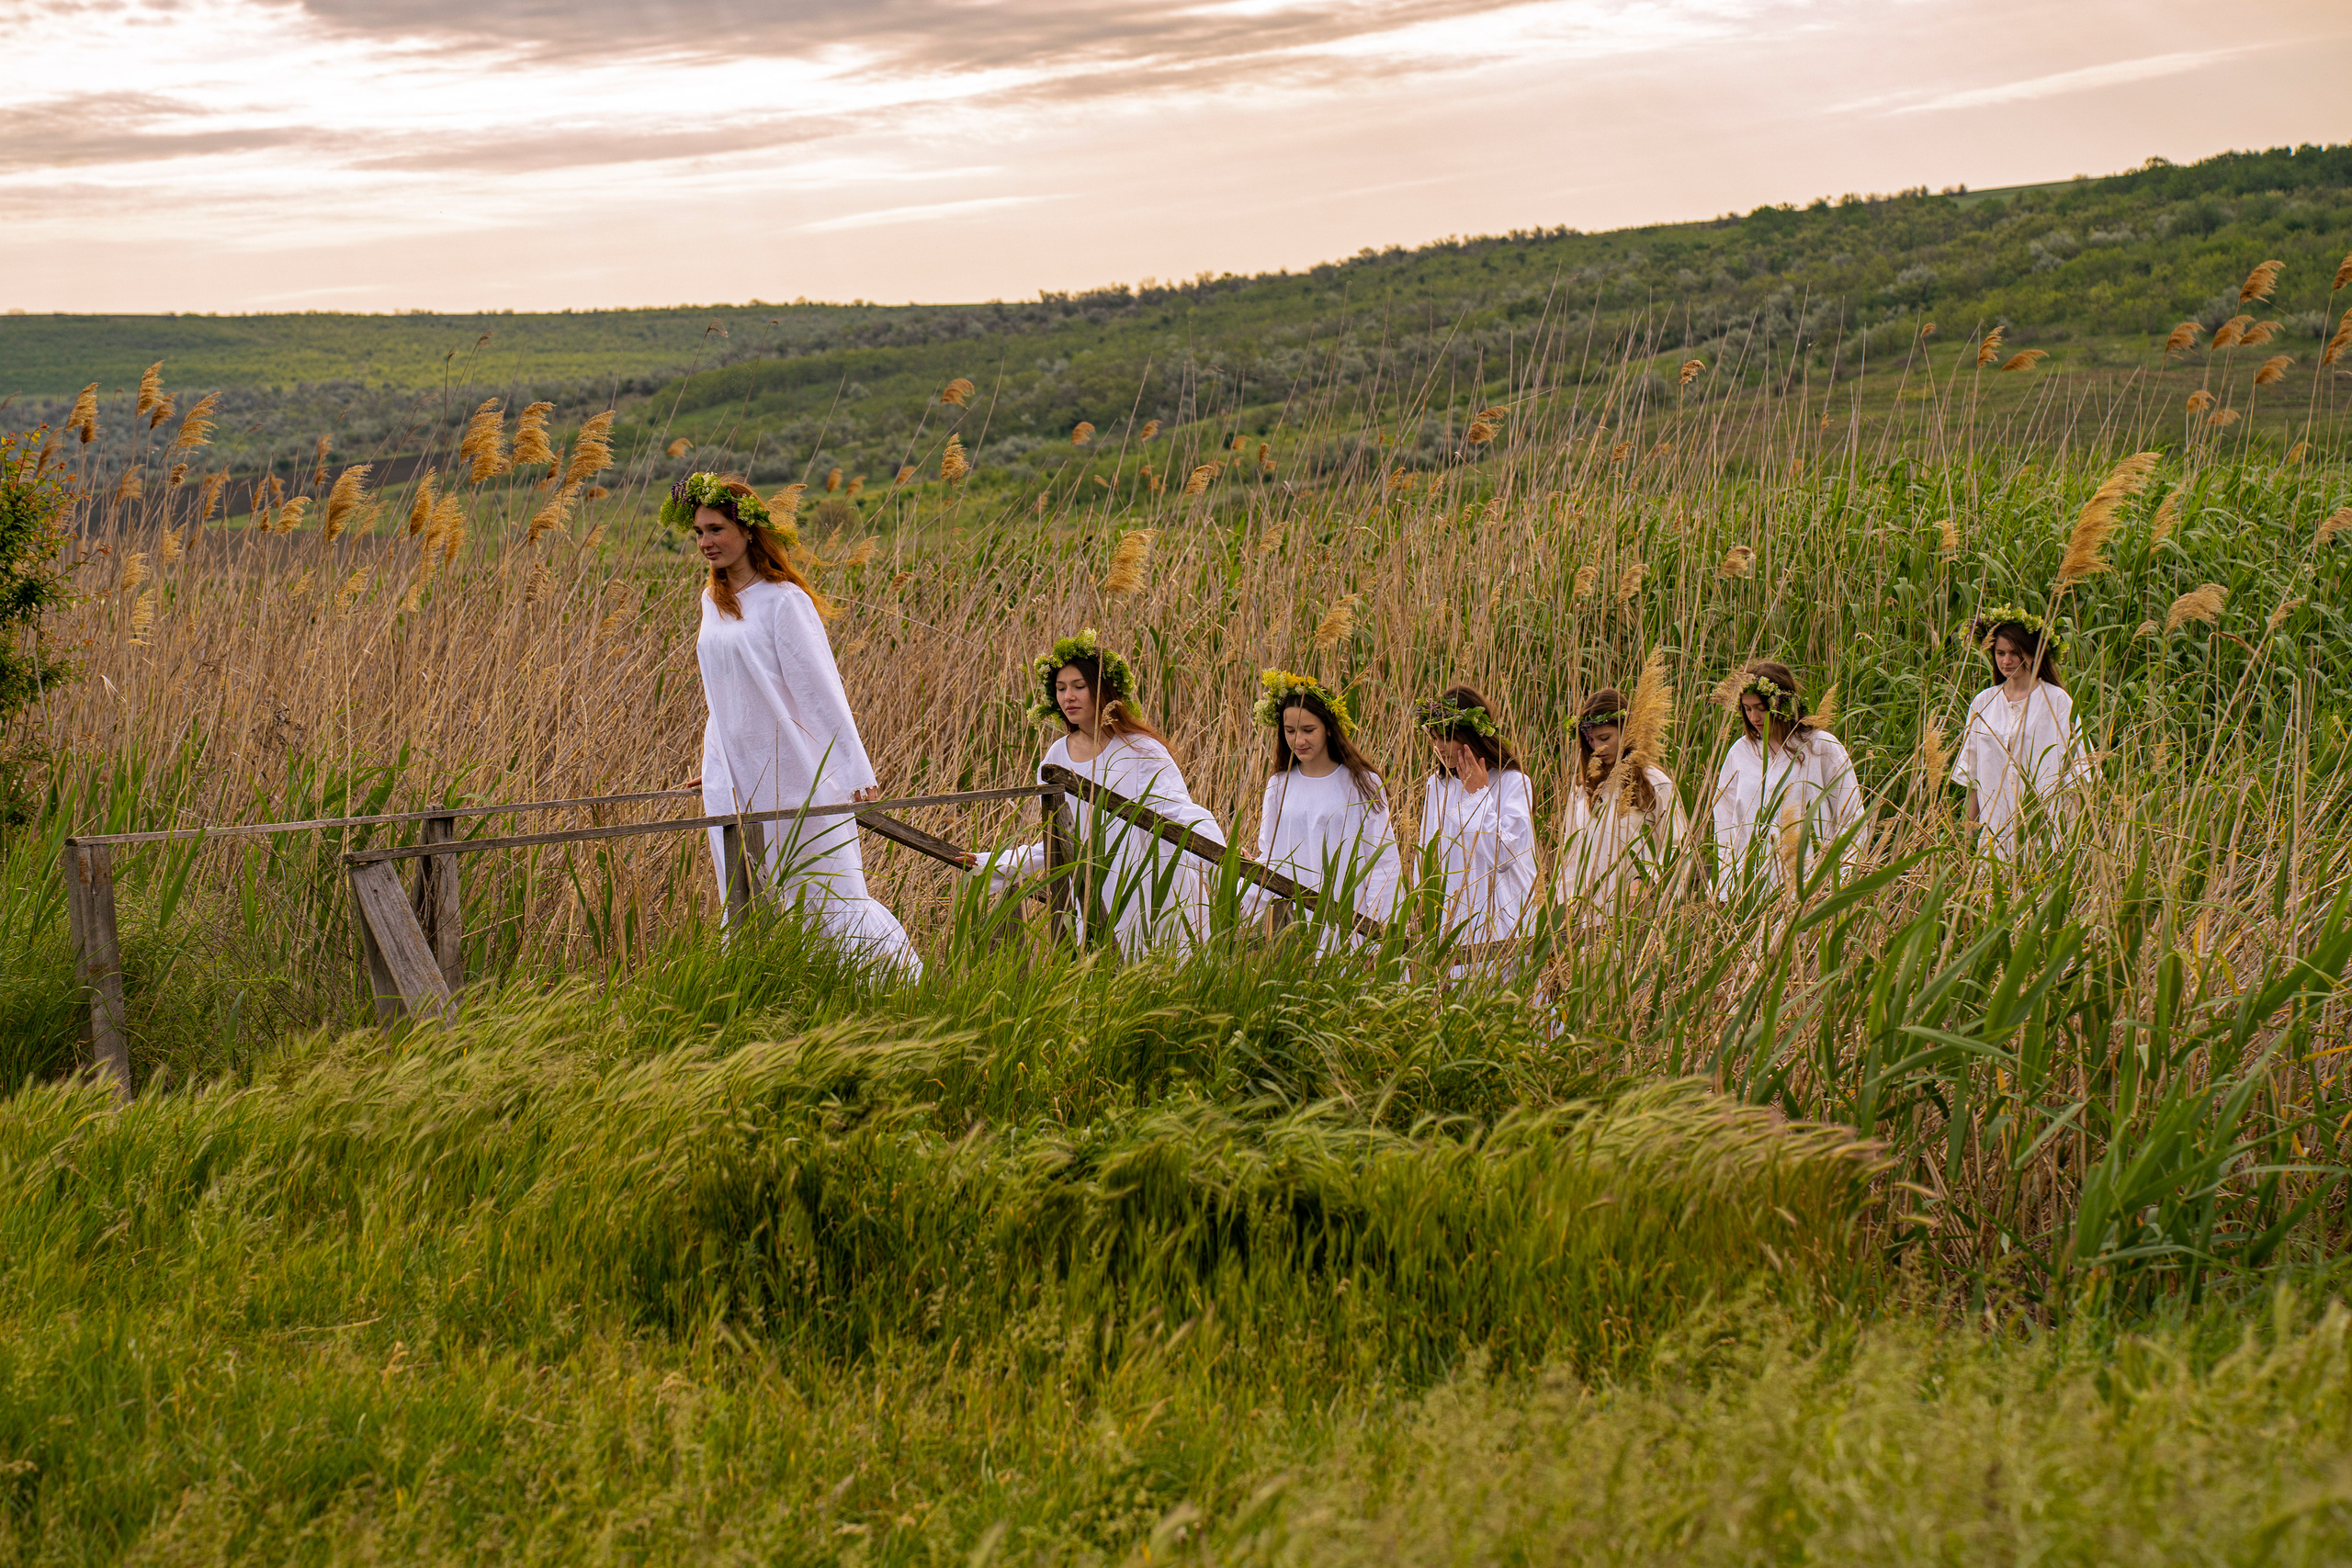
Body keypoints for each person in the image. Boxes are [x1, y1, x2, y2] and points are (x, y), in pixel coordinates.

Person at [671, 472, 921, 976]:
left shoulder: (784, 600)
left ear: (748, 530)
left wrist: (853, 772)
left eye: (715, 529)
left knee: (824, 889)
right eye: (699, 532)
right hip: (735, 778)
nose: (705, 542)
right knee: (745, 894)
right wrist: (719, 764)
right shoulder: (710, 602)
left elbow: (820, 691)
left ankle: (893, 986)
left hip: (791, 771)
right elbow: (723, 694)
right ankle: (776, 993)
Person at [981, 629, 1226, 952]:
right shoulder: (1056, 758)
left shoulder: (1142, 750)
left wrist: (1223, 854)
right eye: (1061, 688)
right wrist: (992, 863)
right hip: (1094, 891)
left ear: (1102, 689)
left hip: (1150, 885)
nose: (1068, 697)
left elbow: (1179, 811)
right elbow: (1058, 842)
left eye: (1079, 687)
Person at [1245, 669, 1400, 942]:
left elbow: (1383, 863)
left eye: (1308, 730)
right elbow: (1271, 857)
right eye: (1290, 731)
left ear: (1328, 728)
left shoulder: (1361, 783)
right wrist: (1245, 876)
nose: (1299, 740)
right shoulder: (1279, 786)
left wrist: (1380, 935)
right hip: (1295, 931)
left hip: (1353, 926)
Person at [1710, 660, 1865, 898]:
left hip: (1812, 887)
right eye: (1747, 708)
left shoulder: (1821, 747)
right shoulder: (1740, 753)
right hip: (1751, 892)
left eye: (1761, 707)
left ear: (1783, 703)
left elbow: (1851, 818)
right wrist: (1724, 890)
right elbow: (1725, 827)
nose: (1754, 717)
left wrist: (1840, 883)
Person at [1952, 605, 2090, 858]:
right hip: (1995, 834)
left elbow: (2078, 773)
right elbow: (1973, 777)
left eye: (2015, 653)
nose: (2006, 661)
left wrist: (2074, 840)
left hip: (2046, 833)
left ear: (2031, 652)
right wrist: (1967, 837)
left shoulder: (2057, 701)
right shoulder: (1983, 704)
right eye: (2000, 653)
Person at [1416, 686, 1537, 947]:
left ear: (1472, 735)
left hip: (1504, 925)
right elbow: (1428, 855)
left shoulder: (1514, 783)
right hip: (1450, 923)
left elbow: (1502, 856)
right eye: (1434, 738)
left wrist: (1478, 795)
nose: (1438, 747)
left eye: (1446, 738)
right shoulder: (1437, 786)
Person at [1555, 687, 1688, 921]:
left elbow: (1677, 846)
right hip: (1589, 915)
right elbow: (1571, 853)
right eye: (1592, 740)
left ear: (1627, 732)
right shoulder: (1583, 789)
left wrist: (1648, 880)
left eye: (1605, 738)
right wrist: (1564, 904)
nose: (1598, 748)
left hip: (1637, 914)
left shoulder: (1655, 783)